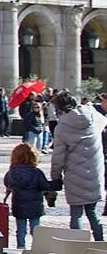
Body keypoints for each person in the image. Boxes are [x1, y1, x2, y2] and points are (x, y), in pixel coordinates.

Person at [49, 91, 105, 240]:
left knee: (76, 213)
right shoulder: (93, 117)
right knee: (93, 213)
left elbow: (58, 157)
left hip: (75, 174)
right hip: (95, 172)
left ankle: (77, 246)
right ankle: (101, 244)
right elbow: (103, 121)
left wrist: (56, 177)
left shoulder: (62, 127)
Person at [3, 142, 54, 254]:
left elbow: (7, 183)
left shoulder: (12, 172)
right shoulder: (37, 172)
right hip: (35, 205)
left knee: (20, 229)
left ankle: (21, 250)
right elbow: (44, 185)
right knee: (35, 229)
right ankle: (38, 250)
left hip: (19, 204)